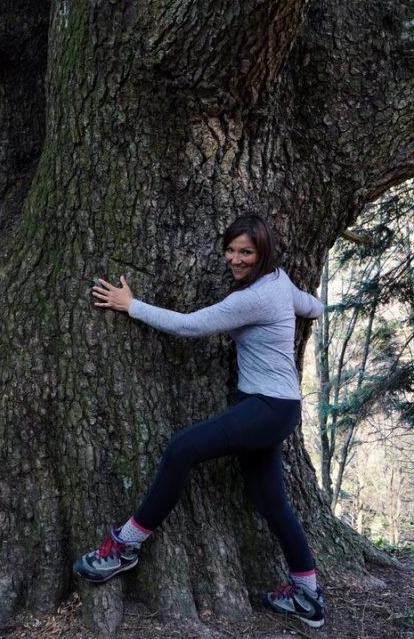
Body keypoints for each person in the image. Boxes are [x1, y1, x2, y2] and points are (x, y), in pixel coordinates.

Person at [73, 214, 326, 629]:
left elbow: (190, 326)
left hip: (266, 407)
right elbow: (312, 306)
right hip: (277, 408)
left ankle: (126, 547)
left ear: (263, 252)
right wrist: (309, 309)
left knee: (181, 450)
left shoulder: (254, 297)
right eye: (231, 250)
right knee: (271, 502)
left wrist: (130, 305)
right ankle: (307, 594)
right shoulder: (280, 283)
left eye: (246, 252)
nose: (235, 259)